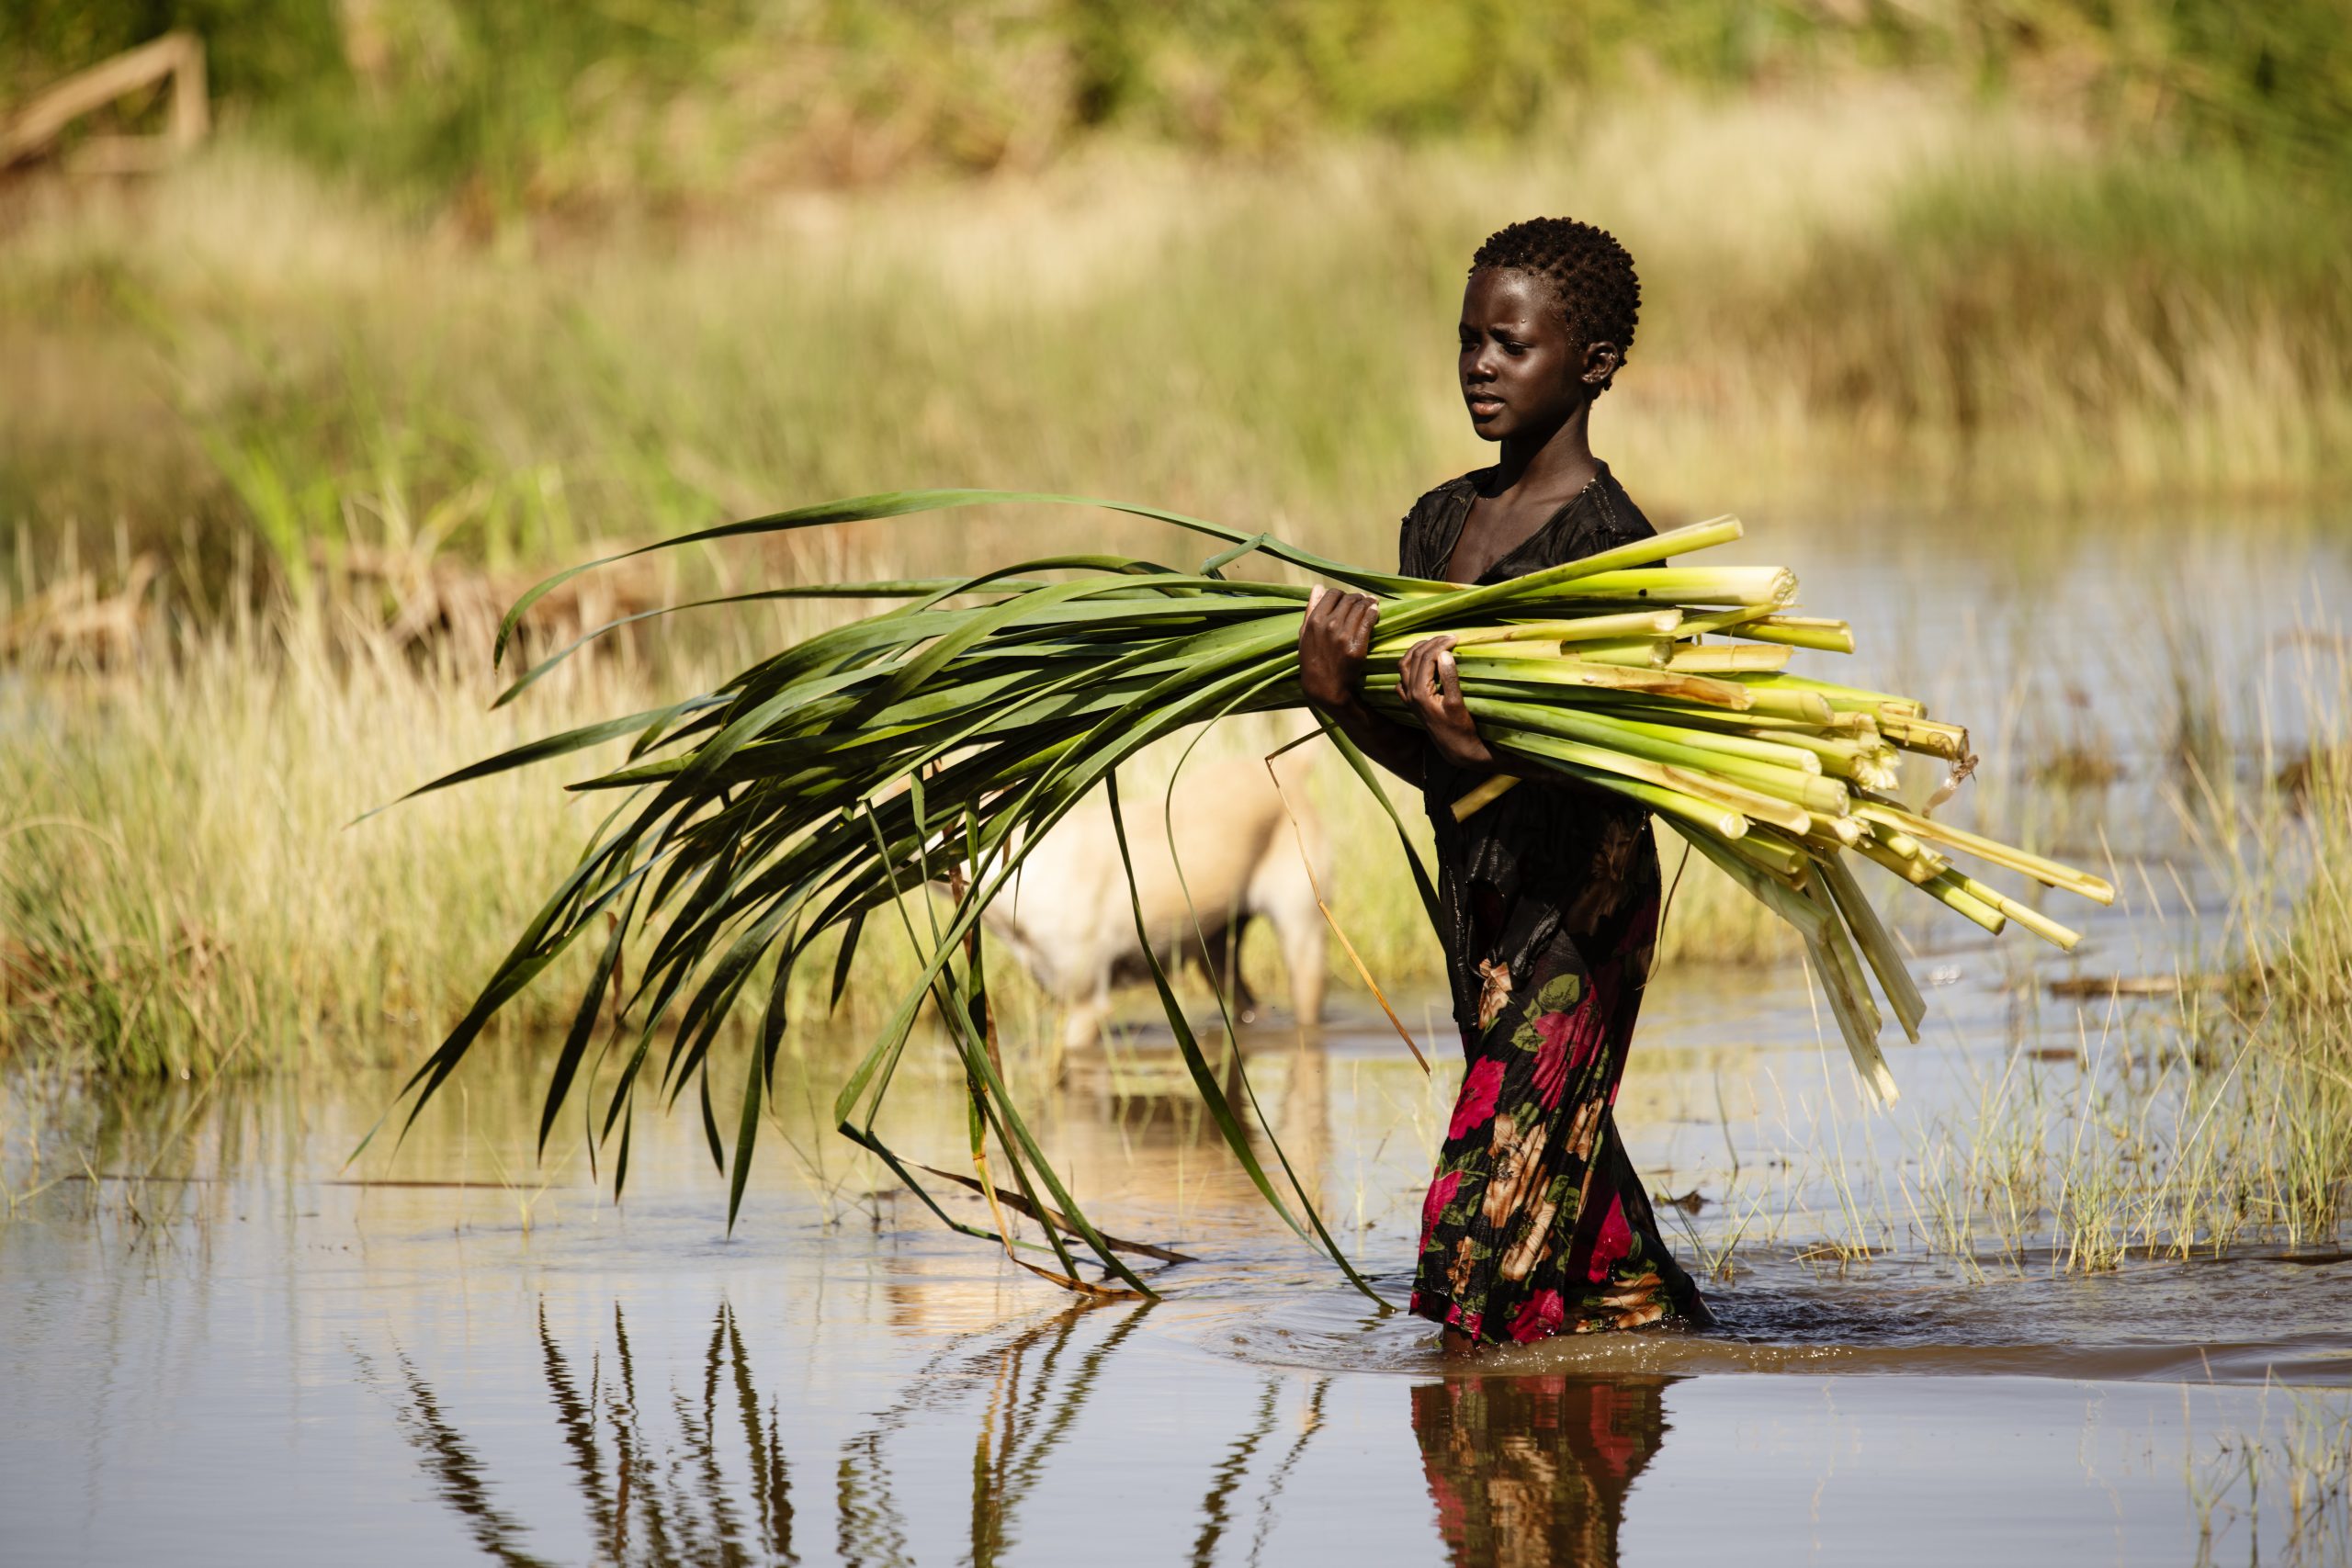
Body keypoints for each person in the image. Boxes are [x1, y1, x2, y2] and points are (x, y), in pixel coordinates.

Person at [1297, 217, 1711, 1352]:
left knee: (1479, 1226)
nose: (1479, 364)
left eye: (1510, 345)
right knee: (1566, 1188)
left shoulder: (1611, 551)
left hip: (1578, 912)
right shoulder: (1436, 524)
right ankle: (1647, 1353)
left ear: (1593, 365)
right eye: (1468, 339)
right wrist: (1342, 701)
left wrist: (1481, 756)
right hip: (1476, 897)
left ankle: (1486, 1430)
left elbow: (1617, 779)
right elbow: (1439, 769)